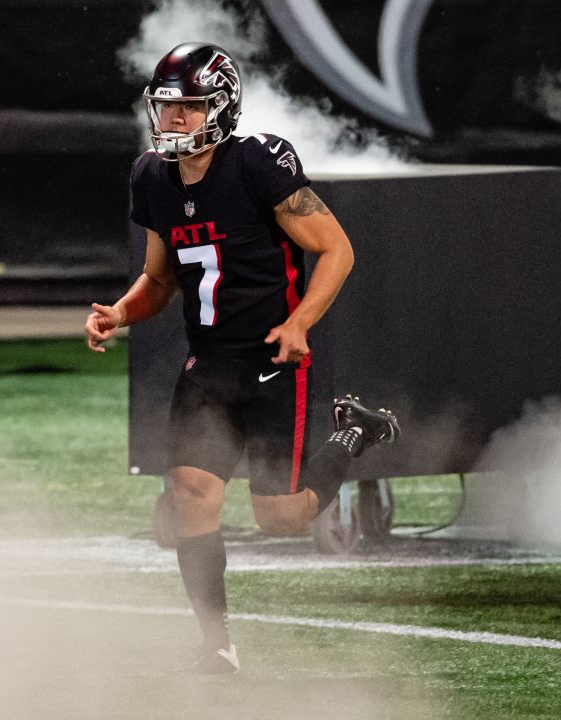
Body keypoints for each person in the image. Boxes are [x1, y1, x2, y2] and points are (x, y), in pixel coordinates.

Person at [84, 42, 400, 674]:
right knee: (191, 492)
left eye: (190, 108)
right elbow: (160, 278)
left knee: (279, 517)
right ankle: (216, 642)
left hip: (273, 359)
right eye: (167, 108)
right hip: (208, 363)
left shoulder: (259, 162)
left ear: (221, 107)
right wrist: (121, 311)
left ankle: (352, 433)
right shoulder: (150, 176)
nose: (174, 122)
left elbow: (336, 250)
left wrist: (299, 322)